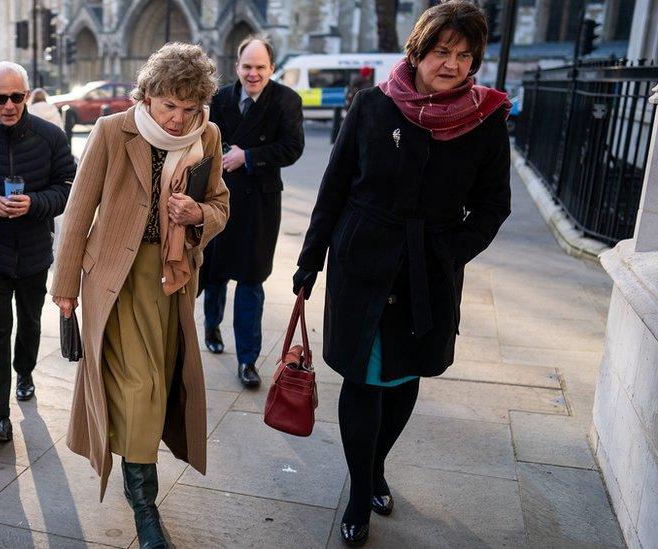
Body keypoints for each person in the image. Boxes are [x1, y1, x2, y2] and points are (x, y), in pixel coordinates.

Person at [293, 2, 511, 544]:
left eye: (464, 55)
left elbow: (493, 205)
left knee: (405, 377)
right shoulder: (371, 105)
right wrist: (308, 261)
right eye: (442, 51)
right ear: (418, 50)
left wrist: (452, 251)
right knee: (363, 379)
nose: (453, 64)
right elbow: (335, 187)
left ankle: (375, 467)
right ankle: (361, 492)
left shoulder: (486, 120)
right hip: (362, 263)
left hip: (429, 270)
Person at [51, 43, 229, 547]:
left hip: (173, 280)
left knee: (163, 379)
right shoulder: (113, 131)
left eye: (189, 108)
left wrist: (199, 217)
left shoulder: (208, 136)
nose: (178, 120)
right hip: (116, 278)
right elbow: (79, 210)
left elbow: (219, 202)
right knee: (141, 387)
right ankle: (145, 507)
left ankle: (143, 492)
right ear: (148, 95)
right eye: (169, 105)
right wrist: (65, 289)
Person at [0, 62, 76, 443]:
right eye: (2, 98)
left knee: (29, 323)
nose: (10, 105)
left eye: (18, 97)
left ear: (27, 95)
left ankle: (24, 371)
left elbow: (67, 187)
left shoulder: (51, 137)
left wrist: (35, 203)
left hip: (34, 253)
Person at [203, 36, 304, 387]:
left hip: (259, 204)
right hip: (219, 198)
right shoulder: (219, 99)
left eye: (260, 67)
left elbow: (293, 148)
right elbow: (205, 141)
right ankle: (211, 325)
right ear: (237, 67)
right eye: (247, 67)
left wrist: (248, 156)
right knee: (214, 273)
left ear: (272, 69)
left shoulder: (286, 101)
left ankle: (248, 360)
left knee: (250, 280)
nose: (253, 74)